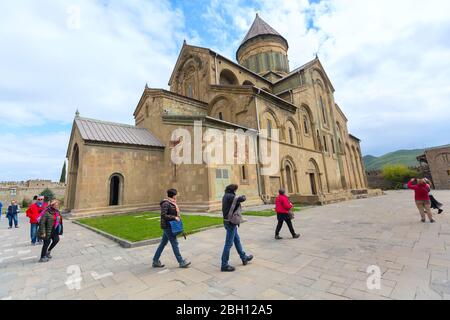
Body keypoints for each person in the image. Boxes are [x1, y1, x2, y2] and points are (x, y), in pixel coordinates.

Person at [152, 189, 191, 269]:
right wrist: (174, 217)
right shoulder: (166, 203)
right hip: (168, 226)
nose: (177, 196)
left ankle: (155, 260)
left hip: (169, 226)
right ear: (173, 195)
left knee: (163, 243)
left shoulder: (172, 203)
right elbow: (163, 215)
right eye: (176, 195)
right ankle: (181, 262)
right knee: (175, 244)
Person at [221, 184, 253, 272]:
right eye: (236, 190)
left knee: (237, 240)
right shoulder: (231, 196)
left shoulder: (225, 196)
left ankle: (244, 257)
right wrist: (243, 196)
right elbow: (242, 199)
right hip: (231, 222)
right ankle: (224, 264)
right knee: (228, 244)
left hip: (227, 221)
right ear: (233, 190)